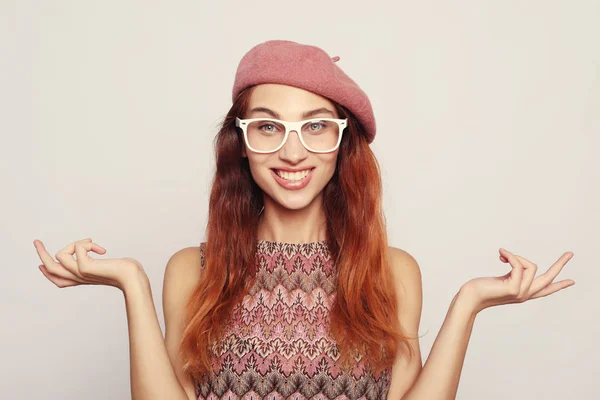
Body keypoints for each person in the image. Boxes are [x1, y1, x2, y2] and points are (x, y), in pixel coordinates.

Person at [33, 40, 575, 400]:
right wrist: (131, 284)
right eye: (268, 128)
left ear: (343, 145)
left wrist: (470, 303)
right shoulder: (193, 270)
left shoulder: (391, 271)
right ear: (241, 144)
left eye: (316, 127)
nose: (293, 152)